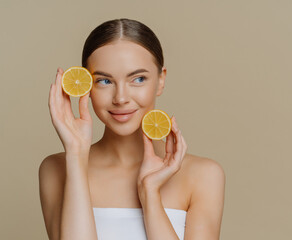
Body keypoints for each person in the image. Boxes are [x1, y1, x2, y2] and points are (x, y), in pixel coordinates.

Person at [39, 18, 225, 240]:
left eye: (138, 79)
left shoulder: (203, 175)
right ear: (87, 86)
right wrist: (76, 155)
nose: (121, 98)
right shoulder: (56, 169)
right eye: (104, 81)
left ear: (161, 80)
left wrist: (150, 194)